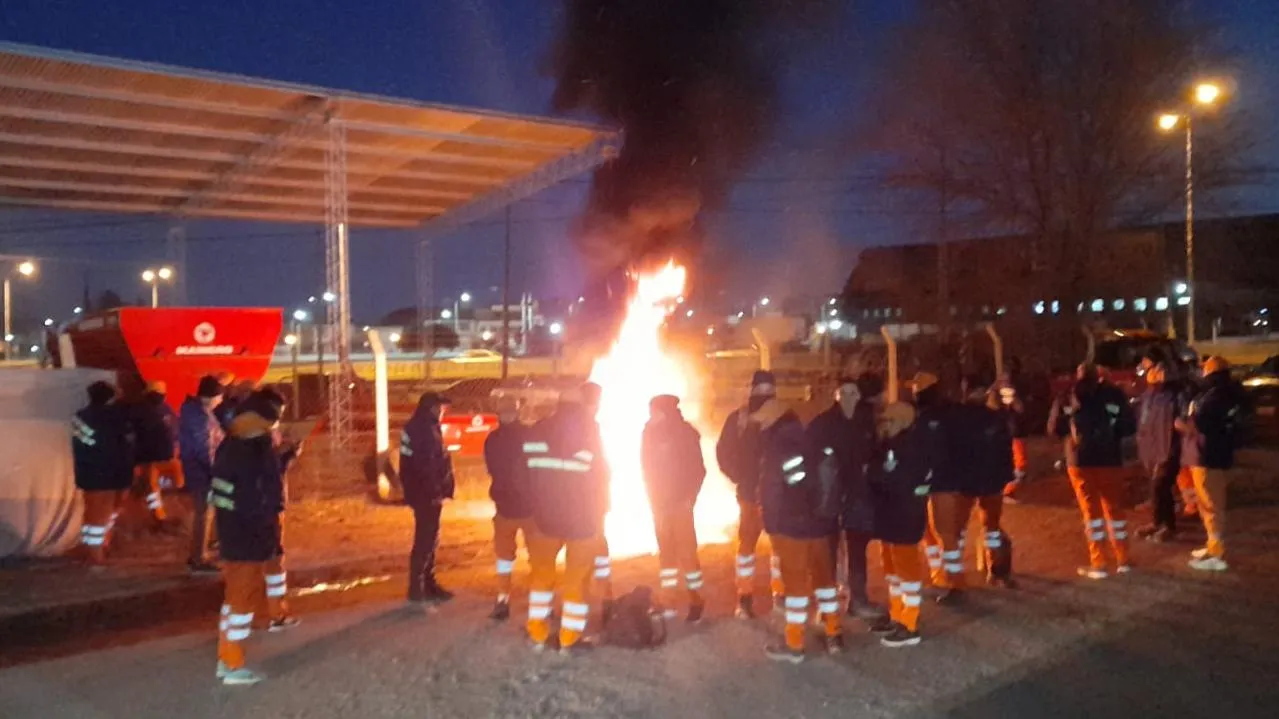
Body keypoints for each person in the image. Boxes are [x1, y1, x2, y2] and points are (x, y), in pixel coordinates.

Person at [210, 388, 301, 686]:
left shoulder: (231, 443)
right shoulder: (254, 449)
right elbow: (261, 495)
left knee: (234, 597)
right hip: (248, 535)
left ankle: (228, 657)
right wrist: (267, 531)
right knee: (241, 601)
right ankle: (232, 665)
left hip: (232, 532)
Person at [754, 394, 842, 663]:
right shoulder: (810, 438)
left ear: (776, 418)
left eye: (764, 420)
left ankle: (794, 644)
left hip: (793, 527)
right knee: (824, 580)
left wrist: (773, 521)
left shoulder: (782, 444)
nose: (761, 425)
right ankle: (833, 634)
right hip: (820, 525)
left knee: (795, 587)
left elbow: (785, 486)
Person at [522, 384, 610, 654]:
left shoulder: (537, 428)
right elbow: (600, 474)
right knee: (575, 579)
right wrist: (601, 510)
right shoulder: (588, 429)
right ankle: (569, 638)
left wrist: (536, 505)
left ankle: (537, 634)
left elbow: (525, 473)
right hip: (580, 519)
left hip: (545, 517)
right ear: (583, 404)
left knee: (542, 575)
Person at [1050, 364, 1137, 580]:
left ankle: (1099, 563)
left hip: (1079, 462)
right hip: (1110, 460)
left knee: (1092, 515)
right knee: (1115, 511)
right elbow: (1129, 427)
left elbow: (1053, 429)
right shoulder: (1114, 395)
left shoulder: (1068, 396)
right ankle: (1123, 559)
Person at [807, 375, 881, 619]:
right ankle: (825, 607)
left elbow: (875, 455)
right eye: (844, 393)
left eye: (854, 393)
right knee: (828, 552)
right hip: (829, 497)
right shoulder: (822, 424)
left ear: (859, 396)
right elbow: (811, 459)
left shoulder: (866, 422)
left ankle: (857, 600)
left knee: (857, 550)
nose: (849, 397)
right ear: (835, 395)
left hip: (858, 495)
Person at [716, 370, 783, 619]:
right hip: (749, 494)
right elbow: (723, 451)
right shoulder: (739, 419)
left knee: (779, 548)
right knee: (747, 547)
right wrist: (738, 476)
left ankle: (781, 594)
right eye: (761, 390)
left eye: (769, 390)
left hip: (777, 495)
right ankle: (744, 598)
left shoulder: (783, 418)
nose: (764, 395)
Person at [868, 401, 933, 647]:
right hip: (892, 516)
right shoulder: (893, 444)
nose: (885, 424)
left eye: (890, 420)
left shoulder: (910, 447)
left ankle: (910, 624)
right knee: (893, 570)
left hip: (904, 516)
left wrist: (876, 475)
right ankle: (897, 616)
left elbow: (896, 480)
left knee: (906, 571)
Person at [641, 394, 707, 623]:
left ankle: (696, 600)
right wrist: (652, 499)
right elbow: (646, 469)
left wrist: (689, 498)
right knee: (666, 556)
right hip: (660, 505)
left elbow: (698, 469)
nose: (652, 416)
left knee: (687, 554)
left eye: (655, 411)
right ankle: (668, 602)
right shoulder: (649, 433)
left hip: (679, 505)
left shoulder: (685, 433)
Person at [1179, 356, 1247, 572]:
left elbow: (1198, 424)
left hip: (1208, 455)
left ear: (1210, 371)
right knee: (1208, 503)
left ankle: (1216, 553)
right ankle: (1212, 544)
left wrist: (1181, 424)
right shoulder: (1227, 392)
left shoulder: (1215, 395)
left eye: (1204, 369)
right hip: (1214, 454)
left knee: (1212, 505)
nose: (1201, 372)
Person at [912, 371, 967, 603]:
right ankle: (940, 576)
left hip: (938, 482)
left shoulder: (927, 418)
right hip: (944, 481)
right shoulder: (951, 413)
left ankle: (955, 583)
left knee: (944, 532)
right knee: (932, 531)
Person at [400, 392, 457, 604]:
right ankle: (418, 588)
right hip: (426, 494)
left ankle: (428, 584)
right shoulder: (422, 430)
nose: (442, 412)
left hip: (427, 493)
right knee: (425, 539)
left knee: (430, 538)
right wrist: (434, 491)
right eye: (440, 408)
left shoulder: (424, 426)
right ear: (431, 407)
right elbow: (424, 466)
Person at [71, 380, 135, 567]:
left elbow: (86, 444)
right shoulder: (116, 418)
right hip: (108, 474)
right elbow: (123, 447)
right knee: (101, 515)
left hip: (87, 473)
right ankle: (96, 555)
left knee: (90, 513)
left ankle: (88, 548)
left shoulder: (79, 417)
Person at [961, 378, 1015, 586]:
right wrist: (1006, 475)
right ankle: (995, 570)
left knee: (958, 529)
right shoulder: (995, 419)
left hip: (968, 481)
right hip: (990, 480)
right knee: (991, 527)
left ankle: (954, 575)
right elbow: (1005, 449)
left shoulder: (961, 419)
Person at [482, 396, 530, 620]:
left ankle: (503, 599)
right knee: (537, 556)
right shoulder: (529, 435)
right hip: (529, 507)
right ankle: (543, 601)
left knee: (503, 557)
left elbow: (492, 469)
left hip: (504, 506)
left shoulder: (492, 439)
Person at [179, 375, 225, 574]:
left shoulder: (199, 412)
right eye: (219, 397)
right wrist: (213, 471)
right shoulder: (200, 417)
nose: (221, 401)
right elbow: (204, 448)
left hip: (201, 470)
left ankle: (202, 551)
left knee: (206, 513)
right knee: (203, 514)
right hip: (202, 473)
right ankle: (198, 559)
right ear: (212, 396)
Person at [1135, 362, 1185, 543]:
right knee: (1156, 488)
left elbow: (1180, 419)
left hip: (1169, 448)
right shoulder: (1149, 396)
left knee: (1161, 485)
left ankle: (1168, 526)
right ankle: (1157, 522)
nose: (1155, 373)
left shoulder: (1173, 395)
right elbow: (1144, 422)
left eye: (1160, 370)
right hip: (1152, 450)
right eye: (1153, 371)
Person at [579, 382, 614, 617]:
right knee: (587, 549)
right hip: (586, 501)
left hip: (593, 500)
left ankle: (605, 598)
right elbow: (592, 465)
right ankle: (594, 597)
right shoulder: (584, 426)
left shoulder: (589, 424)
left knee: (598, 550)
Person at [133, 380, 183, 525]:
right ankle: (158, 515)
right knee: (173, 480)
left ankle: (158, 515)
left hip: (149, 457)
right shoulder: (165, 409)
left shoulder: (139, 410)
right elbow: (175, 429)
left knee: (152, 486)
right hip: (161, 455)